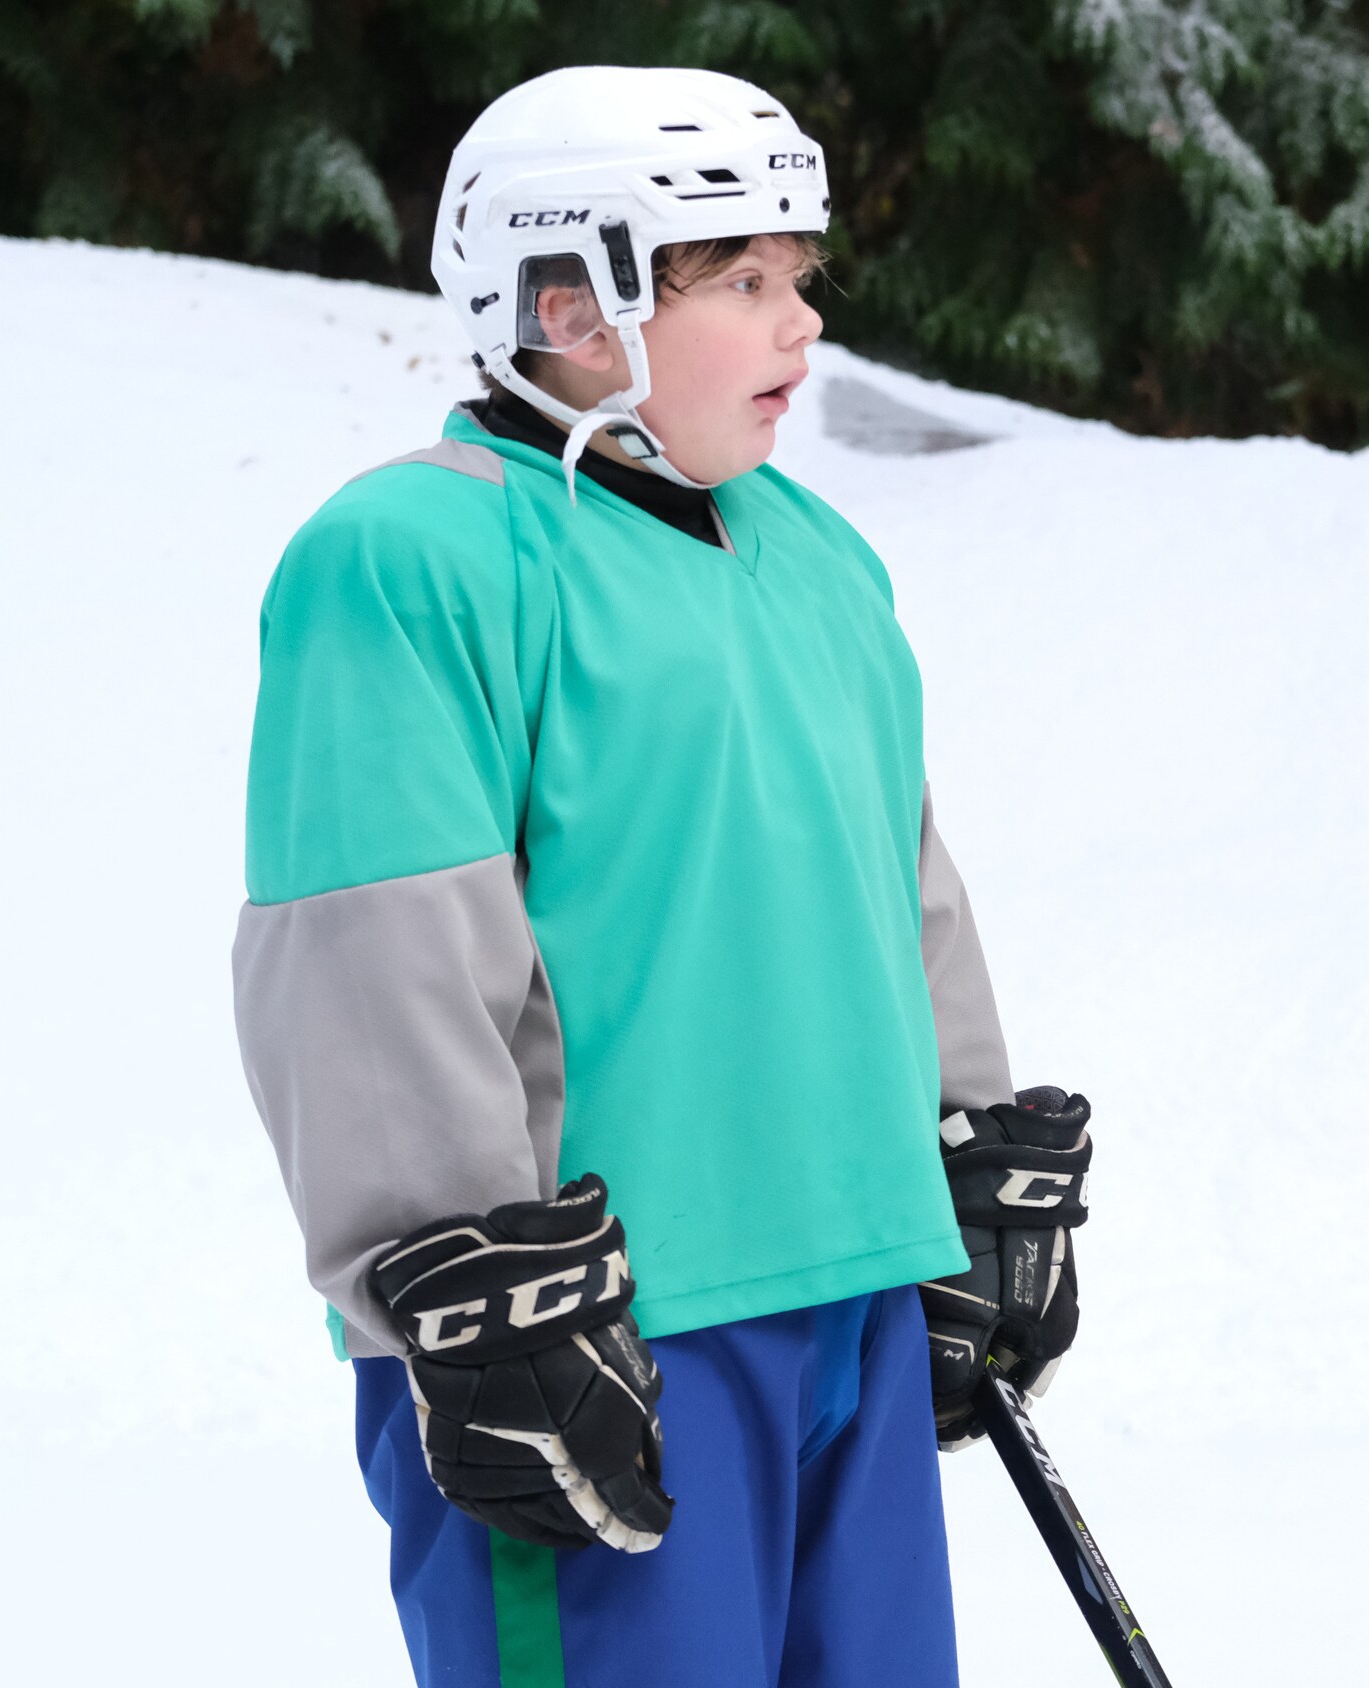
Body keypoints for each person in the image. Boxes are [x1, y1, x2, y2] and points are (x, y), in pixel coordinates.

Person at [232, 65, 1088, 1688]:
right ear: (567, 301)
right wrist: (471, 1285)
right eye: (742, 284)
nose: (799, 328)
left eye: (798, 281)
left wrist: (958, 1158)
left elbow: (899, 888)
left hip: (846, 1288)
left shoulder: (816, 556)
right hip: (598, 1334)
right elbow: (373, 954)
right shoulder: (418, 559)